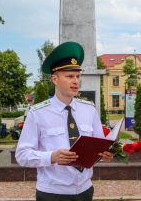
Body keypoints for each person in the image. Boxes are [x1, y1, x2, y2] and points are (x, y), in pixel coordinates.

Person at [15, 41, 113, 201]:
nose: (75, 81)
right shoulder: (38, 113)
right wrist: (51, 157)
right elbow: (22, 155)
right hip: (52, 193)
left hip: (85, 190)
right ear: (54, 79)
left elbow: (99, 146)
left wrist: (106, 155)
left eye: (77, 76)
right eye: (69, 76)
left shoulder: (89, 110)